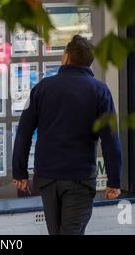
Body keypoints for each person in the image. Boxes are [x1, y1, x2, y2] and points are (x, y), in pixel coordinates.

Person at [12, 35, 122, 235]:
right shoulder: (100, 91)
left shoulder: (42, 88)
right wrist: (114, 179)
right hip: (79, 179)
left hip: (47, 178)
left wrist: (19, 172)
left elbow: (24, 132)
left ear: (66, 57)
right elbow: (110, 139)